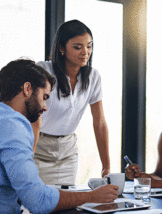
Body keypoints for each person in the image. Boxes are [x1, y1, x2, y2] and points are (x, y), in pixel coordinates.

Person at [0, 59, 119, 213]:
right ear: (27, 88)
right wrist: (91, 196)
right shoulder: (13, 127)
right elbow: (37, 200)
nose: (44, 107)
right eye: (44, 97)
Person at [31, 19, 110, 185]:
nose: (85, 52)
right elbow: (33, 116)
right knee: (38, 204)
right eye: (77, 47)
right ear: (61, 48)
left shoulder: (93, 77)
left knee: (66, 202)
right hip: (38, 147)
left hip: (67, 150)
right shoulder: (44, 70)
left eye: (89, 46)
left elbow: (100, 122)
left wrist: (106, 166)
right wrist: (28, 156)